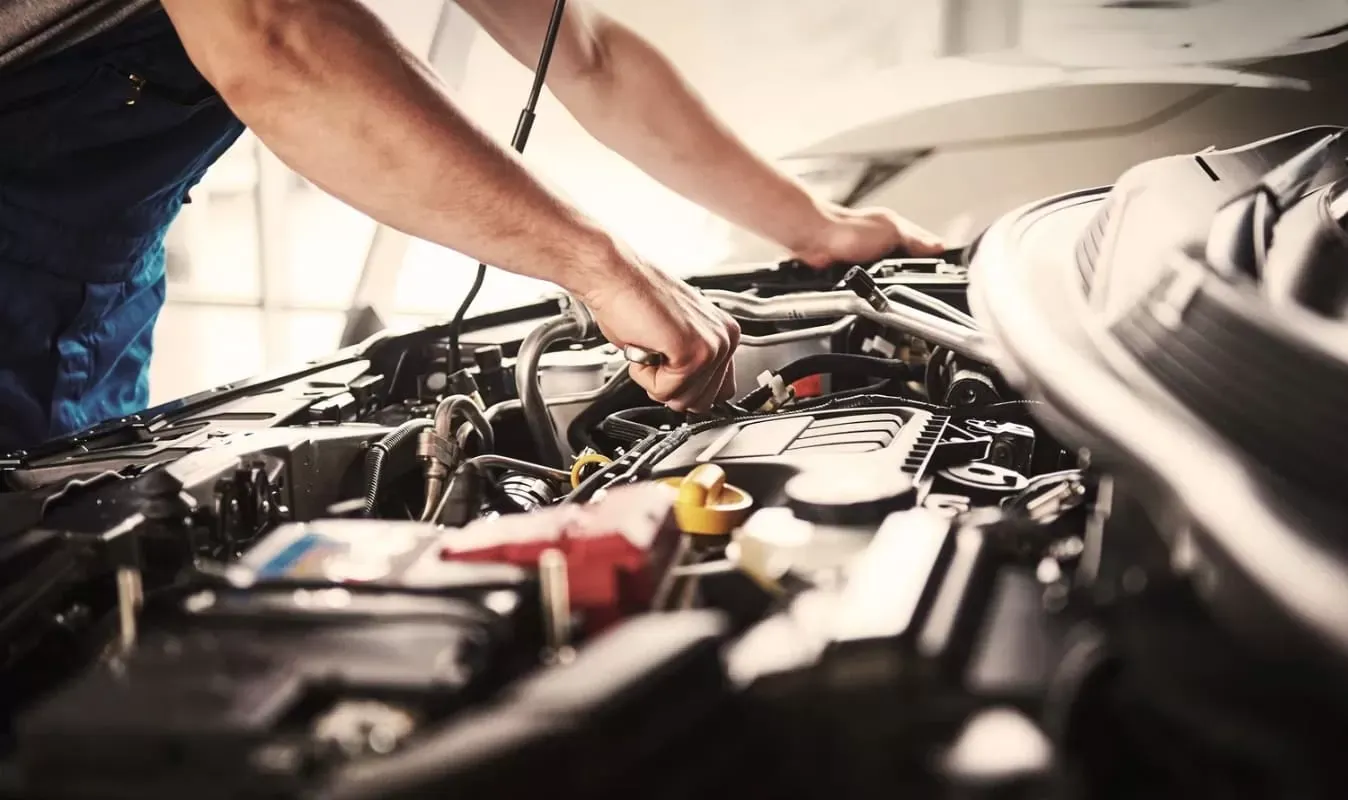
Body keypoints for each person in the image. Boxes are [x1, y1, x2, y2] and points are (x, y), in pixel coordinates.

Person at [0, 0, 942, 451]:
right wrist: (600, 267)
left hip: (87, 287)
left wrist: (817, 228)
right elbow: (274, 36)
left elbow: (588, 56)